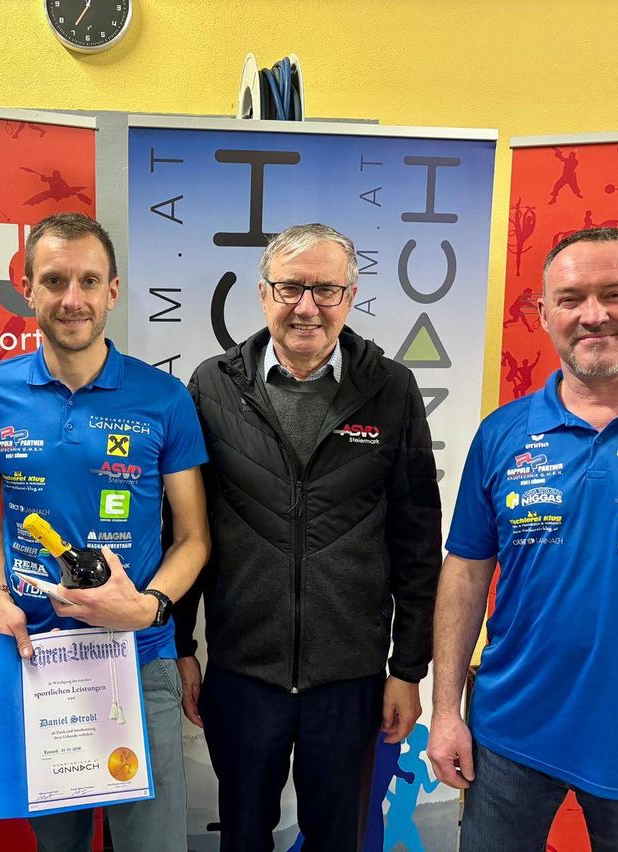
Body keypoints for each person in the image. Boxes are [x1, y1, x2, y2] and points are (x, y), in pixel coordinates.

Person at [175, 223, 442, 851]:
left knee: (338, 839)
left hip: (349, 679)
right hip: (243, 672)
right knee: (242, 836)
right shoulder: (212, 386)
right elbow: (183, 529)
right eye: (291, 287)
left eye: (326, 289)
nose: (307, 307)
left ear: (350, 298)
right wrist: (182, 645)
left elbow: (417, 540)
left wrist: (408, 669)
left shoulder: (391, 389)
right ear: (263, 293)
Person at [0, 213, 209, 852]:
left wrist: (148, 607)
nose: (73, 299)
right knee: (58, 846)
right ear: (27, 288)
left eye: (89, 281)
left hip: (139, 659)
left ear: (113, 291)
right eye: (55, 280)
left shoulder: (164, 397)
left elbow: (194, 538)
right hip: (37, 659)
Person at [428, 227, 618, 851]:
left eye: (613, 294)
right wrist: (447, 711)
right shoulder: (503, 433)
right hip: (510, 734)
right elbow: (465, 572)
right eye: (572, 299)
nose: (594, 315)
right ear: (543, 314)